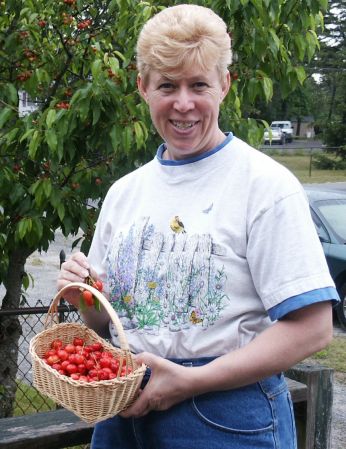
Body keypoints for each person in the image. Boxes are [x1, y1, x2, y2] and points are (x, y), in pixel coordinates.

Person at [57, 4, 339, 449]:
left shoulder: (264, 185)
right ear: (143, 88)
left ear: (224, 85)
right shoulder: (125, 192)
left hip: (225, 413)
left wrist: (189, 381)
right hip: (123, 407)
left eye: (199, 85)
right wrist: (83, 296)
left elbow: (313, 327)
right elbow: (101, 322)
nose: (183, 103)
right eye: (167, 85)